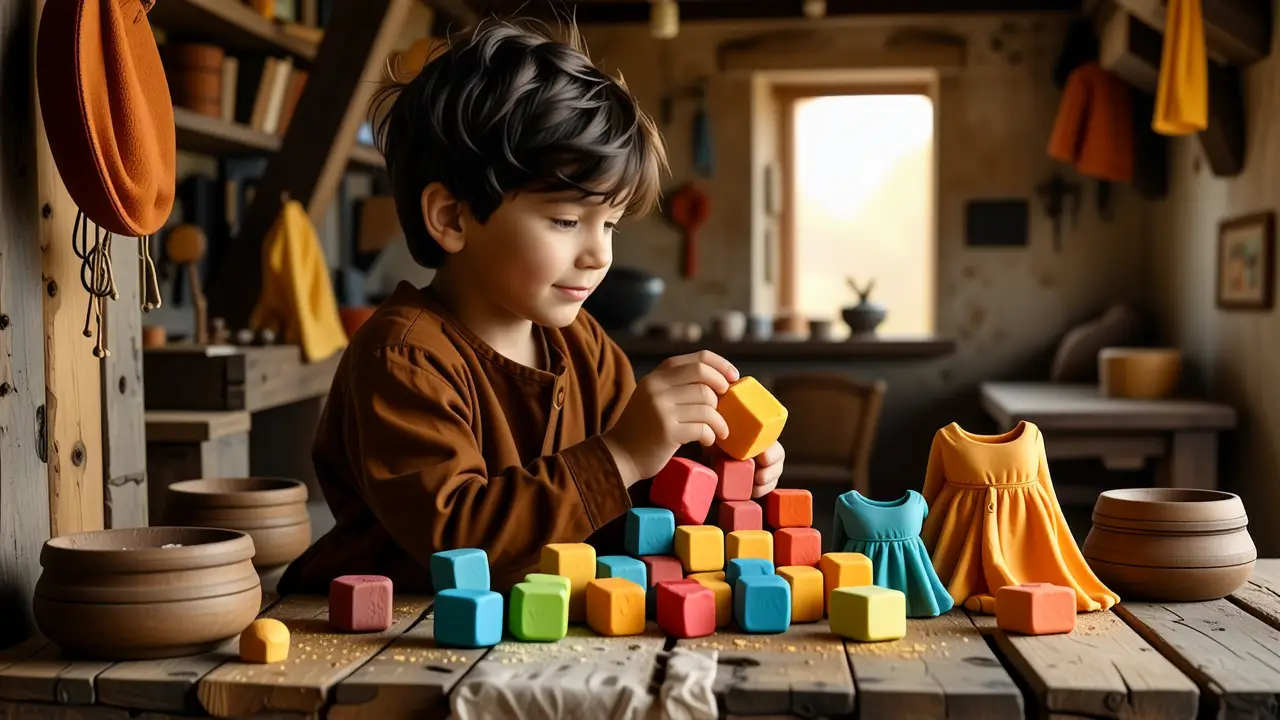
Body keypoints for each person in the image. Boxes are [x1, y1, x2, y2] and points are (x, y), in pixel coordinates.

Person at [276, 18, 786, 596]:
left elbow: (629, 501)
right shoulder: (402, 359)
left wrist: (713, 462)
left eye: (611, 224)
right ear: (452, 217)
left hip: (538, 631)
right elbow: (459, 546)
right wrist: (621, 452)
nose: (599, 254)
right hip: (389, 639)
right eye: (566, 221)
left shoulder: (584, 345)